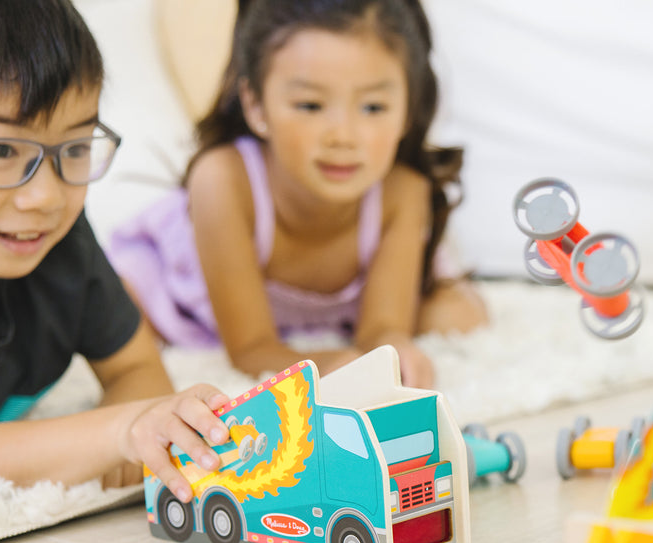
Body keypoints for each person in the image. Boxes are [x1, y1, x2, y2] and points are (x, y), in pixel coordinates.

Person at [108, 0, 488, 389]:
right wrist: (329, 365)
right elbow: (252, 349)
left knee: (461, 313)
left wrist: (394, 352)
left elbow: (382, 329)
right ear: (256, 105)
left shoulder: (403, 189)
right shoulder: (223, 180)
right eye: (310, 105)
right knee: (116, 312)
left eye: (373, 107)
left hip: (323, 313)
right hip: (182, 294)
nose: (342, 136)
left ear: (408, 109)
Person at [0, 0, 230, 502]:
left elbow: (136, 368)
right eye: (1, 150)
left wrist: (142, 426)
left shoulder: (60, 245)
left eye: (73, 149)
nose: (46, 196)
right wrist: (116, 433)